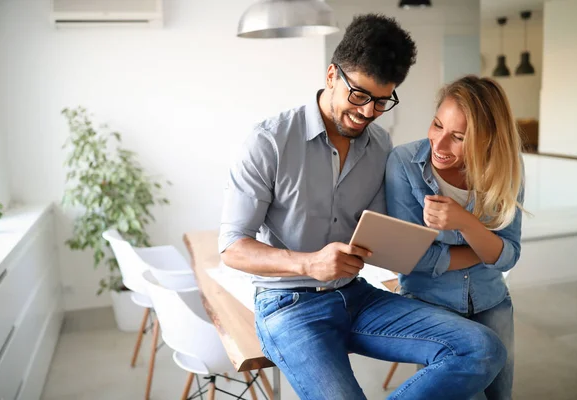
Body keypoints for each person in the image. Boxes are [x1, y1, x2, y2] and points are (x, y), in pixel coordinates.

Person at [219, 15, 506, 400]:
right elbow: (232, 248)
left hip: (357, 295)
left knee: (483, 349)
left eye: (382, 100)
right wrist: (308, 263)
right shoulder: (269, 142)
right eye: (359, 96)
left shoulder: (381, 146)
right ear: (332, 75)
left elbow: (386, 233)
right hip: (288, 307)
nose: (369, 112)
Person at [385, 75, 524, 400]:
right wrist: (482, 247)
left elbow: (509, 254)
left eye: (458, 137)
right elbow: (412, 259)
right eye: (437, 125)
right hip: (431, 307)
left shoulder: (506, 168)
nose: (440, 143)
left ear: (488, 139)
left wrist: (464, 222)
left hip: (492, 302)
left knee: (500, 397)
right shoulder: (404, 164)